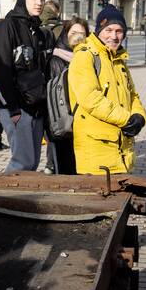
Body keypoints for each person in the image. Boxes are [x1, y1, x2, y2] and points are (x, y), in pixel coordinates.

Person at [69, 4, 146, 174]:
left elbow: (132, 94)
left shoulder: (118, 59)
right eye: (109, 30)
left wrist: (140, 116)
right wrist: (127, 119)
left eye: (119, 31)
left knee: (120, 197)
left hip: (121, 149)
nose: (114, 36)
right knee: (99, 198)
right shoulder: (85, 55)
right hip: (96, 151)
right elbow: (91, 99)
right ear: (98, 31)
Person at [0, 0, 54, 173]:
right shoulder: (7, 27)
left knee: (32, 163)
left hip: (35, 106)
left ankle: (20, 199)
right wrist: (13, 108)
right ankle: (0, 199)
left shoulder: (37, 30)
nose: (39, 2)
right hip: (16, 108)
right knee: (22, 163)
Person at [46, 17, 89, 175]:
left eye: (82, 34)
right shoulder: (56, 59)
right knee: (66, 168)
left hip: (84, 120)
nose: (77, 37)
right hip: (65, 122)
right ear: (65, 34)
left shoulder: (88, 57)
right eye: (73, 32)